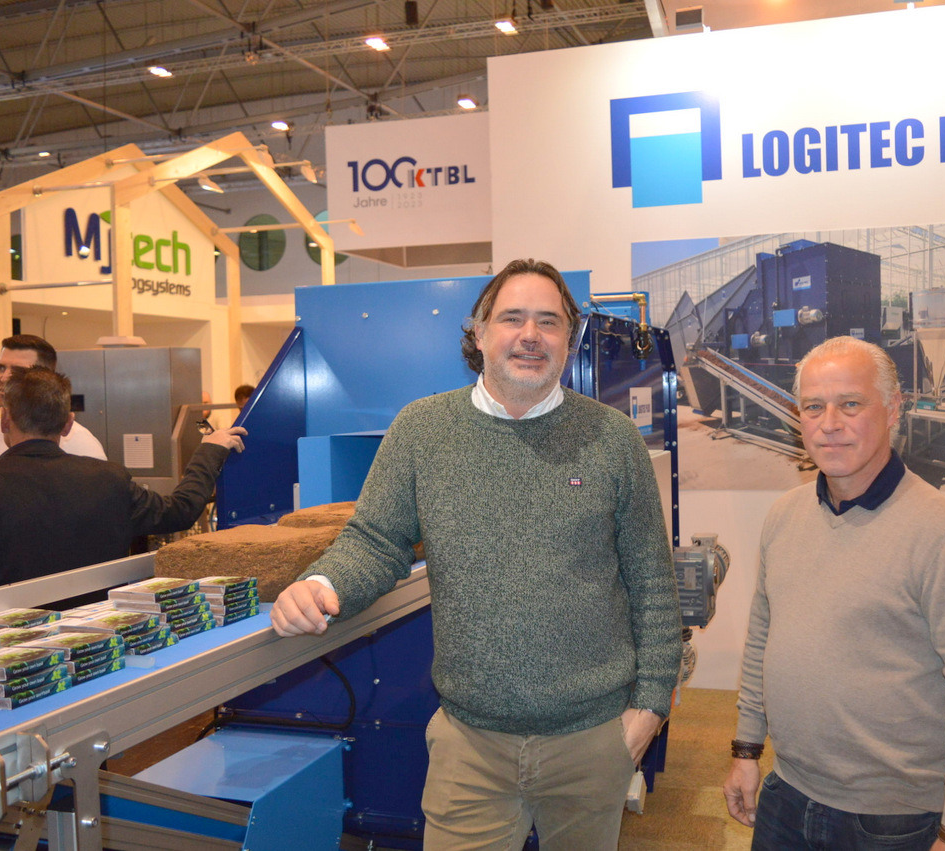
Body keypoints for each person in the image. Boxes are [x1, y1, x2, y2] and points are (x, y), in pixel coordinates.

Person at [270, 259, 681, 850]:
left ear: (569, 340)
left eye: (549, 321)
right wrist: (322, 585)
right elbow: (376, 540)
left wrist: (648, 711)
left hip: (592, 740)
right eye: (512, 318)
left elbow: (652, 582)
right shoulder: (423, 430)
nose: (530, 335)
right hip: (470, 746)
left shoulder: (612, 439)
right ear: (480, 332)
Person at [722, 336, 945, 851]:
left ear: (893, 409)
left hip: (892, 820)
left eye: (851, 404)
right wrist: (746, 750)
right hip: (786, 794)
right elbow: (762, 641)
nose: (829, 423)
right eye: (814, 406)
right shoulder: (784, 517)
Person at [0, 366, 247, 600]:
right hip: (96, 643)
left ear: (5, 420)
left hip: (6, 653)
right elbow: (181, 510)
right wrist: (209, 450)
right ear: (68, 424)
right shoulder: (108, 480)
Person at [0, 334, 106, 481]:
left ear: (46, 379)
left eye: (18, 371)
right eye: (1, 368)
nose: (4, 378)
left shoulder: (82, 446)